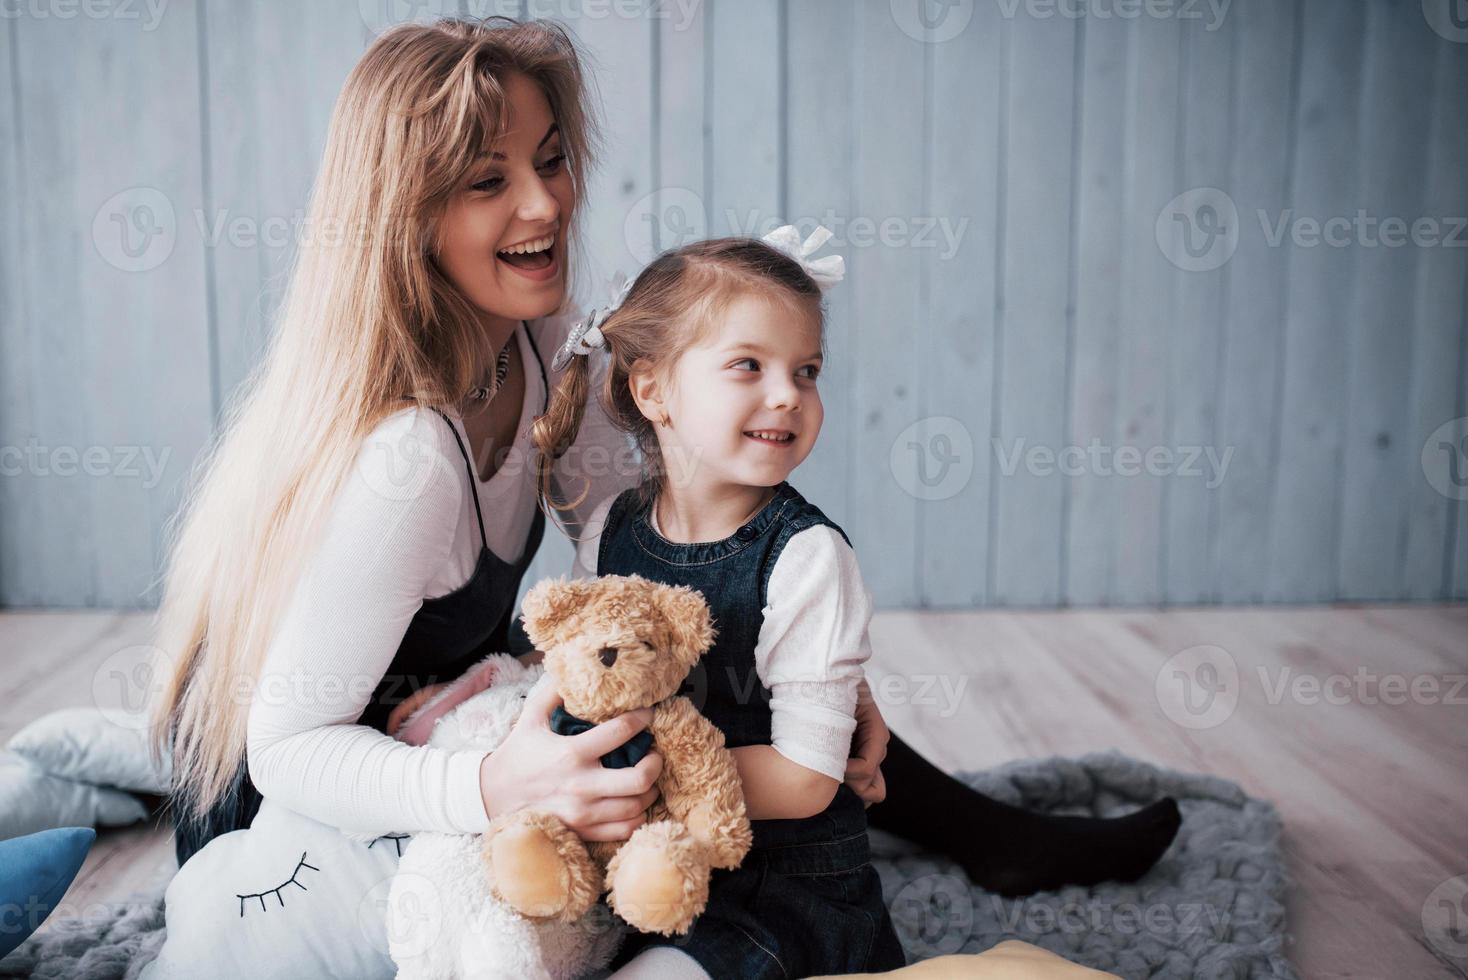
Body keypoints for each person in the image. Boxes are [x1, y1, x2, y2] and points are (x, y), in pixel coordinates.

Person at [148, 15, 1180, 977]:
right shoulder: (409, 455)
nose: (545, 204)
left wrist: (818, 684)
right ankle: (975, 835)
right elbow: (286, 748)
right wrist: (488, 787)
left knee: (717, 648)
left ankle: (983, 831)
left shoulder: (535, 340)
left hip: (439, 707)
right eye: (487, 180)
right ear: (404, 220)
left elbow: (664, 556)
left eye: (550, 158)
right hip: (302, 804)